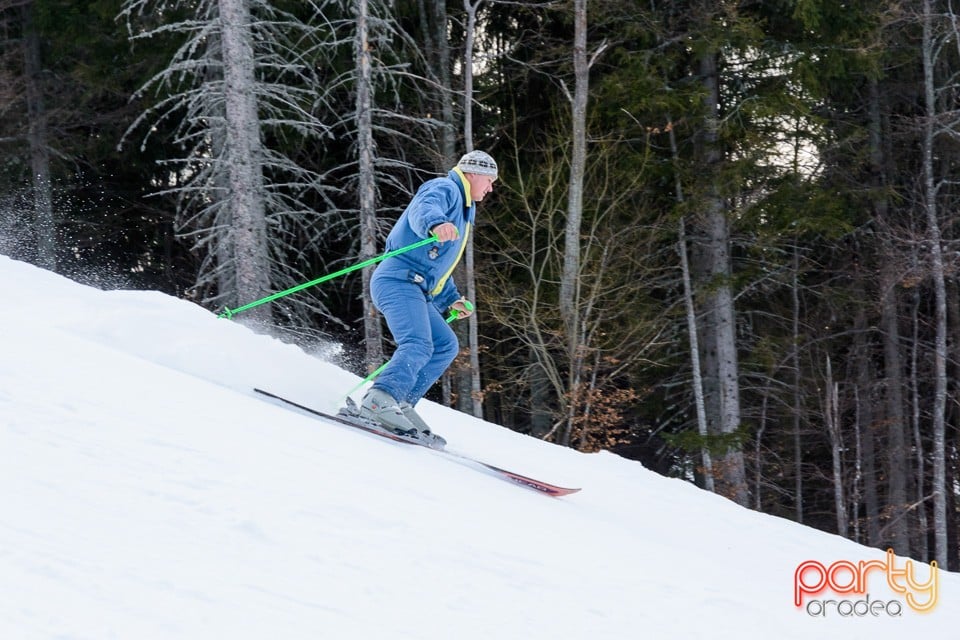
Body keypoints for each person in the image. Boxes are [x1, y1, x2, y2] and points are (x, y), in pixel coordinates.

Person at [356, 150, 498, 441]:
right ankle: (379, 398)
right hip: (397, 279)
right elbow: (425, 206)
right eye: (489, 180)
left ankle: (400, 400)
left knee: (445, 345)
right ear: (471, 173)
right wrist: (435, 223)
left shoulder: (463, 210)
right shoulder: (445, 188)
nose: (491, 187)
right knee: (419, 343)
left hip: (417, 285)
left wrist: (451, 299)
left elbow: (434, 269)